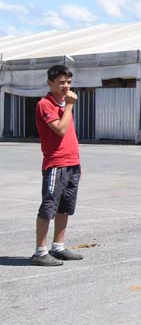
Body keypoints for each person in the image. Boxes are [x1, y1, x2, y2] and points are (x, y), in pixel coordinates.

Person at [31, 64, 85, 266]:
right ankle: (40, 251)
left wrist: (66, 105)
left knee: (65, 207)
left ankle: (58, 246)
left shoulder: (63, 104)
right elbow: (60, 130)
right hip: (56, 163)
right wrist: (70, 105)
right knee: (49, 206)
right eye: (61, 82)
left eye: (69, 82)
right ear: (50, 83)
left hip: (72, 163)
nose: (66, 86)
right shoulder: (45, 104)